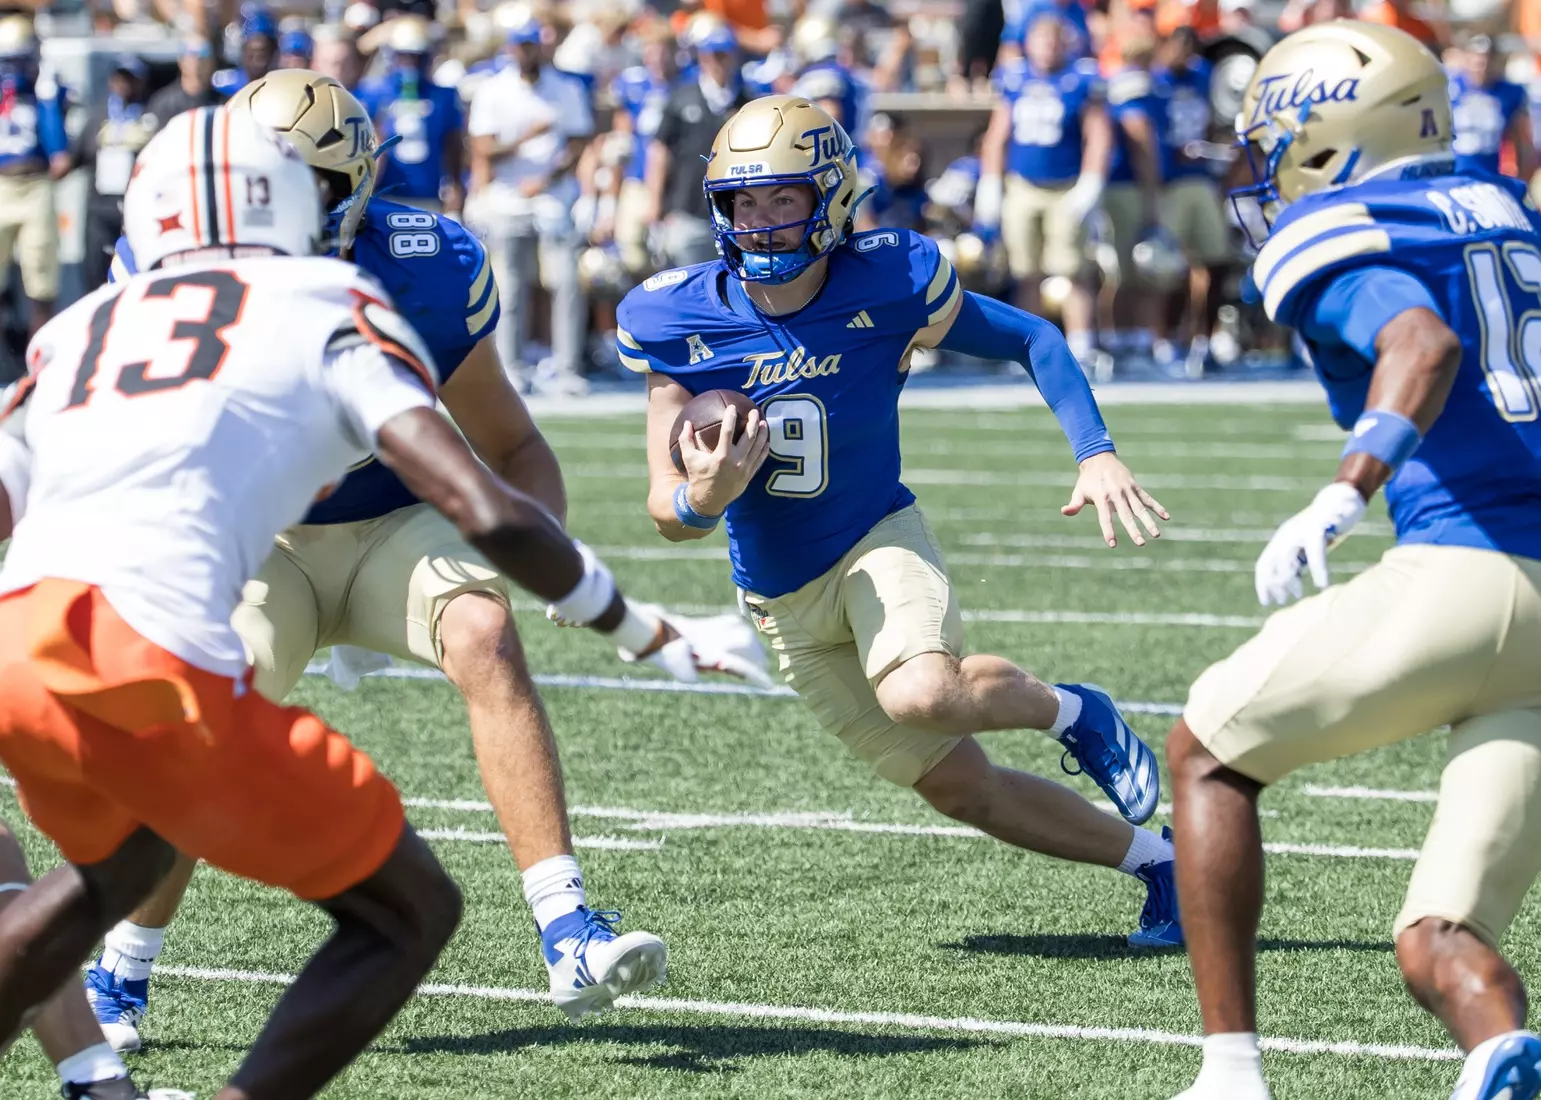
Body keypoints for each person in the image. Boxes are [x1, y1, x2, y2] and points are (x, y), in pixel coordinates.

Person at [0, 104, 685, 1100]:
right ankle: (125, 974)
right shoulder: (315, 295)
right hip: (210, 587)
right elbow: (484, 503)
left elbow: (507, 443)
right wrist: (614, 610)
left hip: (67, 616)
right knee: (395, 903)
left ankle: (566, 921)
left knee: (102, 858)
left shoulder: (82, 323)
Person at [621, 95, 1184, 950]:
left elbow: (1033, 338)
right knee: (961, 790)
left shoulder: (888, 279)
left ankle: (1074, 713)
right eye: (743, 201)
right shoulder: (676, 315)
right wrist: (704, 494)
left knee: (923, 692)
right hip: (778, 600)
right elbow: (667, 511)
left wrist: (1094, 450)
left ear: (831, 200)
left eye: (783, 198)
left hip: (875, 538)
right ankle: (1161, 865)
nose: (761, 222)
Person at [1166, 21, 1541, 1100]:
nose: (1265, 164)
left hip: (1466, 572)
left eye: (1278, 138)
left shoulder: (1341, 220)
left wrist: (1345, 489)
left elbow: (1417, 341)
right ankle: (1494, 1055)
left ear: (1334, 137)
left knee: (1203, 752)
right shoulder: (1501, 204)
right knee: (1437, 933)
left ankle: (1229, 1071)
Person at [466, 15, 593, 395]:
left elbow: (578, 142)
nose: (525, 52)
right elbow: (483, 147)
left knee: (567, 282)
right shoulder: (493, 90)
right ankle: (511, 367)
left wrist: (548, 177)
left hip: (554, 197)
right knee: (509, 284)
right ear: (510, 49)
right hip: (507, 197)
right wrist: (526, 137)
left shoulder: (565, 87)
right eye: (519, 45)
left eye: (530, 45)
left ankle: (568, 368)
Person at [977, 13, 1108, 367]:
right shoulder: (1015, 78)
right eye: (1042, 42)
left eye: (1054, 42)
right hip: (1022, 185)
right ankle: (1026, 345)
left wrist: (1091, 181)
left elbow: (1097, 135)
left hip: (1065, 186)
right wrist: (990, 183)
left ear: (1065, 44)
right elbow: (996, 136)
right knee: (1024, 271)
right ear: (1029, 44)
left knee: (1072, 268)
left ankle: (1081, 342)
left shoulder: (1080, 79)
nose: (1048, 49)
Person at [647, 20, 750, 268]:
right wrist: (655, 203)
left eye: (722, 55)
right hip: (686, 209)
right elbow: (661, 151)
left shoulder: (747, 102)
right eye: (711, 55)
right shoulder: (682, 97)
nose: (716, 62)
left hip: (733, 214)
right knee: (687, 286)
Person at [0, 15, 68, 344]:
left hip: (36, 184)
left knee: (42, 280)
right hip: (2, 186)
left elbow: (60, 152)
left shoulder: (45, 85)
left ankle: (37, 363)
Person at [357, 14, 465, 216]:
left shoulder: (444, 96)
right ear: (392, 56)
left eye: (417, 56)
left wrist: (456, 184)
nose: (410, 63)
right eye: (404, 56)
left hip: (427, 195)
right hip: (382, 195)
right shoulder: (372, 93)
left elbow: (453, 143)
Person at [69, 55, 156, 292]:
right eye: (119, 78)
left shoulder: (151, 113)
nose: (123, 84)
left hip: (134, 206)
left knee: (133, 271)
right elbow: (75, 155)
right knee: (94, 273)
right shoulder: (99, 116)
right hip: (100, 207)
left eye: (130, 79)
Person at [1449, 34, 1536, 181]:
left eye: (1486, 59)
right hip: (1452, 177)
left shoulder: (1509, 93)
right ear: (1466, 58)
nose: (1481, 65)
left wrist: (1521, 178)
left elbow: (1523, 141)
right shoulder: (1448, 88)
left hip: (1490, 177)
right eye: (1476, 58)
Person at [145, 39, 220, 125]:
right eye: (192, 56)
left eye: (203, 56)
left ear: (212, 62)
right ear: (181, 61)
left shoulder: (221, 102)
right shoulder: (165, 103)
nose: (198, 62)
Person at [212, 6, 276, 97]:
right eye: (252, 52)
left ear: (273, 50)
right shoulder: (222, 85)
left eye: (263, 52)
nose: (257, 60)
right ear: (242, 49)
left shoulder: (279, 85)